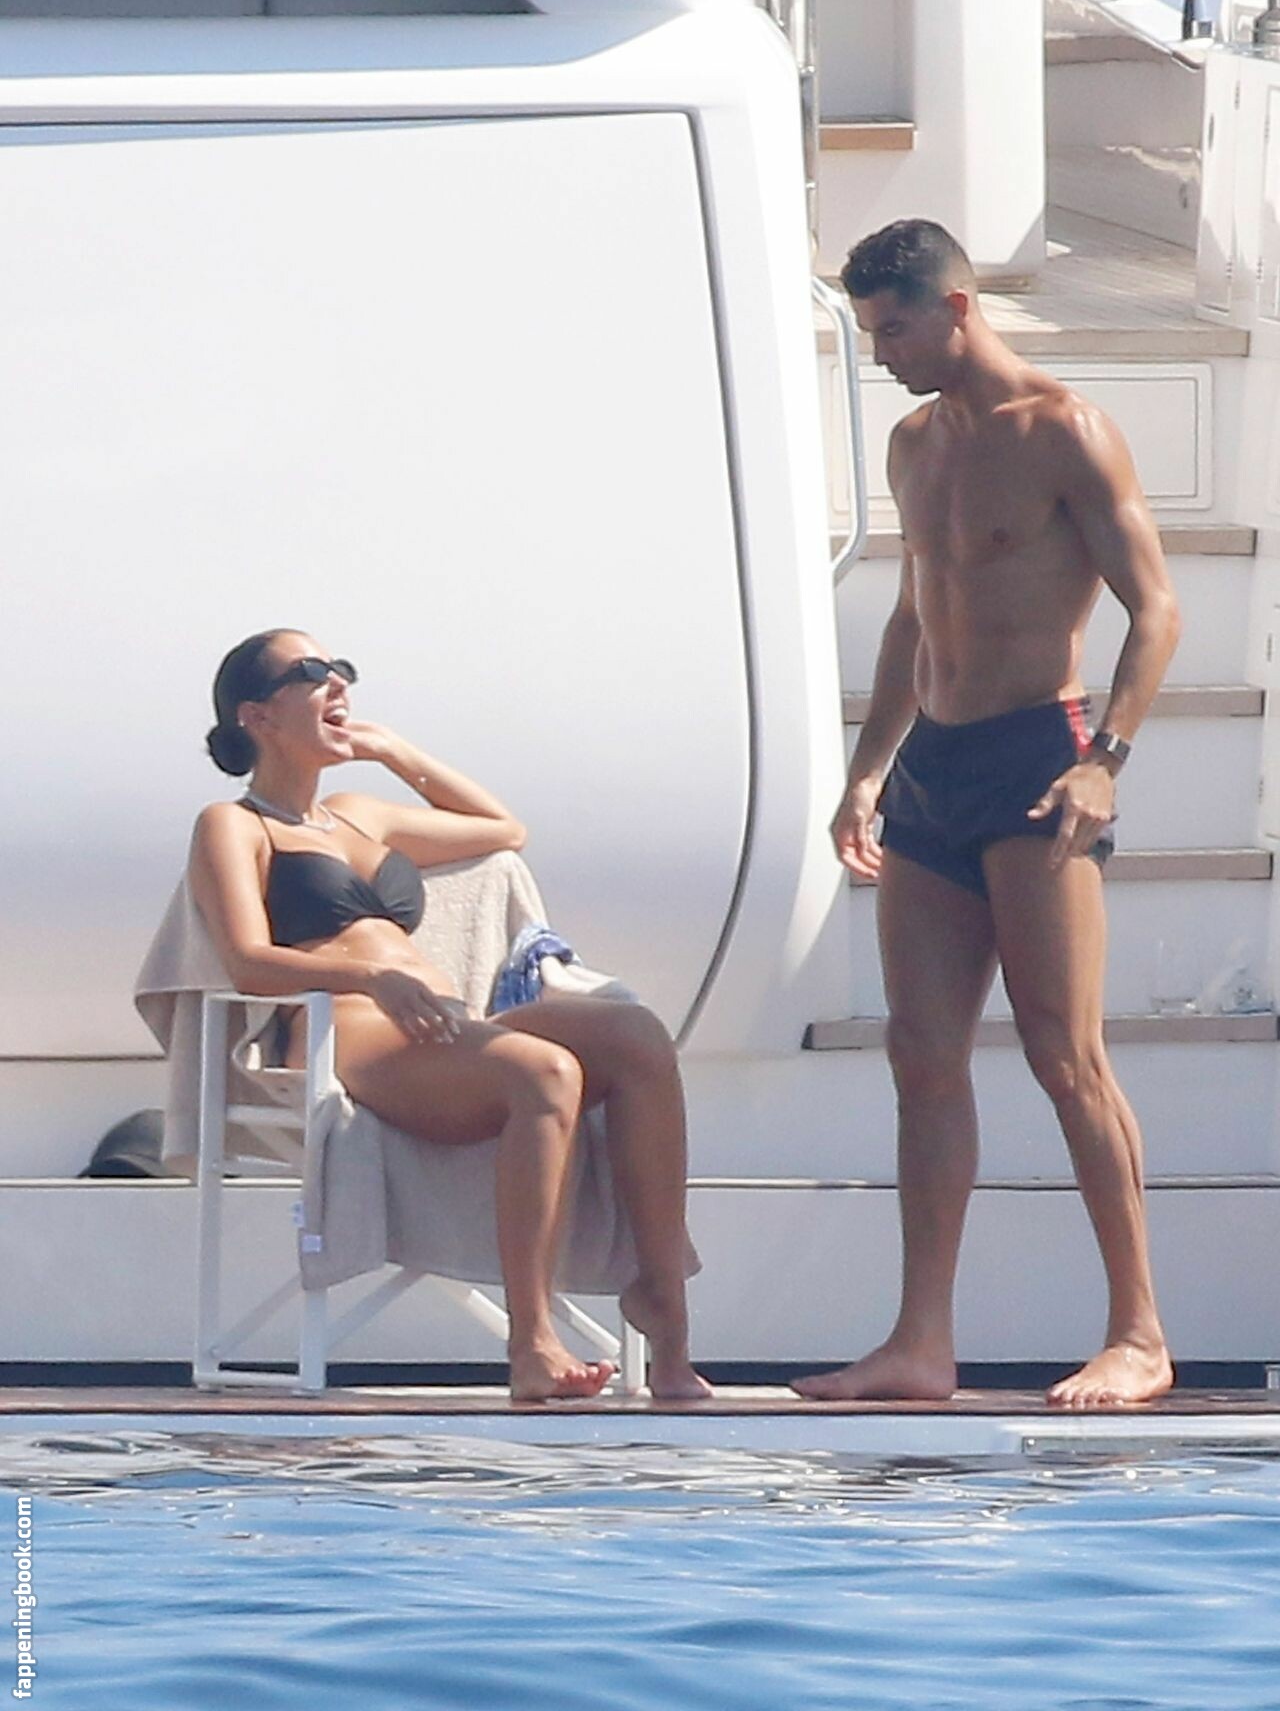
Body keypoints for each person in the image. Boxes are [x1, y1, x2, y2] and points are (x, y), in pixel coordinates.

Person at [794, 219, 1181, 1410]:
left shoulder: (1064, 430)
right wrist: (866, 769)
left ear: (955, 308)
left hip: (1035, 760)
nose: (880, 355)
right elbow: (914, 613)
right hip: (934, 767)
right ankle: (919, 1343)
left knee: (1064, 1056)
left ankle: (1138, 1335)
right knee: (920, 1058)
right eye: (869, 333)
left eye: (892, 329)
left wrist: (1104, 760)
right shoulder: (913, 444)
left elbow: (1154, 609)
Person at [190, 627, 711, 1405]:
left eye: (342, 669)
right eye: (313, 672)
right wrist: (370, 978)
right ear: (256, 715)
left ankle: (663, 1302)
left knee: (637, 1036)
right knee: (545, 1070)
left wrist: (393, 751)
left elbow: (503, 830)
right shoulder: (234, 825)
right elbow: (246, 960)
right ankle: (532, 1341)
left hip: (445, 1027)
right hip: (352, 1034)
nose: (338, 683)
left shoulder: (360, 815)